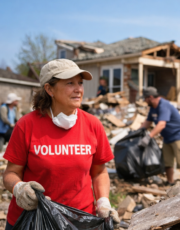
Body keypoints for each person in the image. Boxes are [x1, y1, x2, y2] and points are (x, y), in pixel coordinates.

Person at [2, 59, 120, 229]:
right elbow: (10, 174)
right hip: (32, 221)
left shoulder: (93, 125)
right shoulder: (27, 125)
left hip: (78, 221)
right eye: (70, 83)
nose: (78, 89)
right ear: (49, 89)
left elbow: (100, 172)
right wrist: (19, 188)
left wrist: (103, 203)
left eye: (80, 83)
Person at [139, 87, 180, 184]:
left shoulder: (163, 105)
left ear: (150, 97)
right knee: (168, 162)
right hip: (167, 137)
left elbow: (161, 124)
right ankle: (170, 182)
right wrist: (137, 132)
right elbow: (147, 122)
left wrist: (149, 136)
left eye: (145, 98)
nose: (144, 101)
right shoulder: (153, 108)